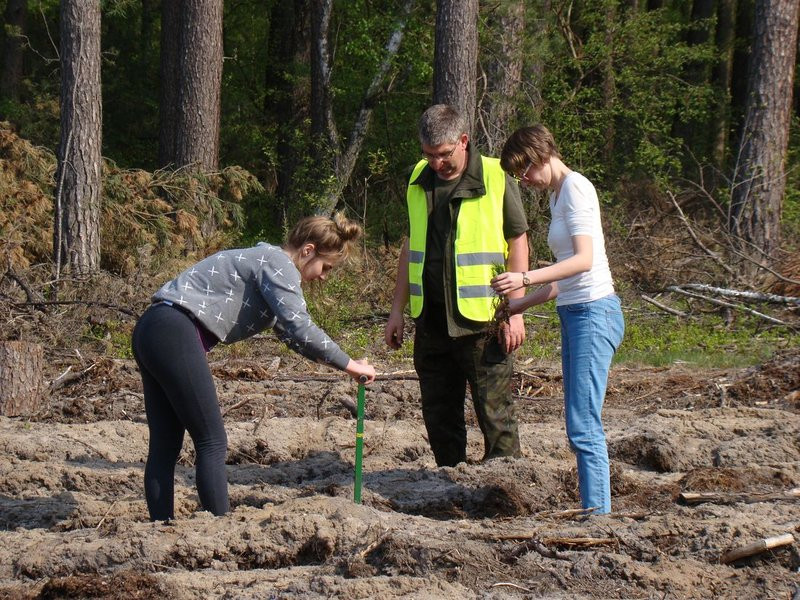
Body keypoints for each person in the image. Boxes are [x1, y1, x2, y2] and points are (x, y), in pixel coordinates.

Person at [132, 213, 376, 521]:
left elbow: (292, 337)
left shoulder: (265, 262)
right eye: (325, 267)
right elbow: (301, 327)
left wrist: (344, 365)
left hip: (150, 329)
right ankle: (219, 527)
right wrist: (350, 365)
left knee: (166, 444)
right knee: (212, 441)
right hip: (173, 331)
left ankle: (161, 528)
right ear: (308, 250)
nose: (324, 276)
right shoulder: (279, 263)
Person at [384, 104, 529, 467]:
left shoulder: (496, 175)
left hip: (484, 323)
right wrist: (397, 310)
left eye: (444, 155)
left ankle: (505, 486)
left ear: (463, 141)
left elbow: (519, 242)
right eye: (429, 155)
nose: (436, 163)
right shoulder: (419, 177)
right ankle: (449, 484)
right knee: (439, 417)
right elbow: (410, 246)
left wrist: (515, 311)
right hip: (431, 322)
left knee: (495, 417)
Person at [490, 125, 624, 514]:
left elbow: (584, 262)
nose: (525, 181)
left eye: (525, 171)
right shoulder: (557, 196)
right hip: (575, 311)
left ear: (540, 155)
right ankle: (594, 509)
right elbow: (566, 277)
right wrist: (520, 304)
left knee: (583, 424)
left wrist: (525, 277)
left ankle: (598, 516)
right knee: (577, 420)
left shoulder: (577, 189)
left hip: (594, 314)